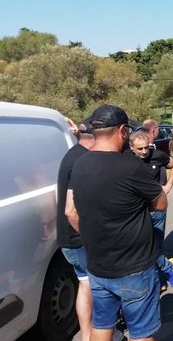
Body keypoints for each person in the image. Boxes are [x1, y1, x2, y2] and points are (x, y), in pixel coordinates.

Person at [69, 104, 168, 341]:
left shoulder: (79, 164)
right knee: (142, 333)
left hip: (98, 265)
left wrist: (93, 236)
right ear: (123, 131)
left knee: (102, 326)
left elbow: (72, 212)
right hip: (134, 266)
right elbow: (161, 203)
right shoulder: (131, 166)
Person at [128, 130, 173, 290]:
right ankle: (166, 268)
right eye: (140, 149)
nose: (144, 152)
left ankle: (162, 277)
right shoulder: (125, 159)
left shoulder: (157, 155)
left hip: (157, 208)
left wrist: (169, 185)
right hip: (136, 210)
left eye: (146, 148)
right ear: (131, 147)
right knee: (142, 246)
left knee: (156, 245)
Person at [57, 118, 95, 341]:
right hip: (78, 239)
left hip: (69, 238)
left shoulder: (73, 154)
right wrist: (89, 237)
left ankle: (87, 334)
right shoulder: (82, 160)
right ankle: (96, 334)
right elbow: (71, 211)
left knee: (85, 284)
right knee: (95, 289)